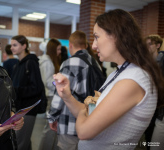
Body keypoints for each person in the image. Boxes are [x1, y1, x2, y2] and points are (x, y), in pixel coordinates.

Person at [52, 9, 164, 150]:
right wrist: (67, 95)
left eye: (97, 37)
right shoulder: (120, 73)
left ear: (116, 36)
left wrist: (83, 113)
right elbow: (92, 112)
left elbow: (84, 131)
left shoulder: (133, 79)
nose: (93, 45)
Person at [48, 30, 102, 150]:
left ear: (70, 45)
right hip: (90, 119)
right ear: (86, 46)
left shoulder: (70, 63)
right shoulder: (95, 62)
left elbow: (61, 92)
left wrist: (52, 116)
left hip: (70, 123)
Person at [10, 35, 44, 150]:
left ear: (24, 46)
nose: (12, 48)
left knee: (20, 142)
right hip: (19, 108)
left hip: (28, 109)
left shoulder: (31, 63)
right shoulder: (17, 65)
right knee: (24, 141)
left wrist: (16, 91)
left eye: (15, 45)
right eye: (11, 45)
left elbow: (37, 87)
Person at [38, 39, 62, 150]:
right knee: (49, 128)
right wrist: (58, 83)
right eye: (58, 49)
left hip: (51, 95)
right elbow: (48, 81)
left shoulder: (47, 61)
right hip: (51, 95)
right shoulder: (47, 62)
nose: (60, 51)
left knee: (50, 127)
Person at [145, 34, 164, 150]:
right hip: (150, 105)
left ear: (157, 45)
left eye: (150, 44)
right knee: (149, 137)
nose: (147, 47)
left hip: (159, 107)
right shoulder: (147, 63)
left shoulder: (161, 61)